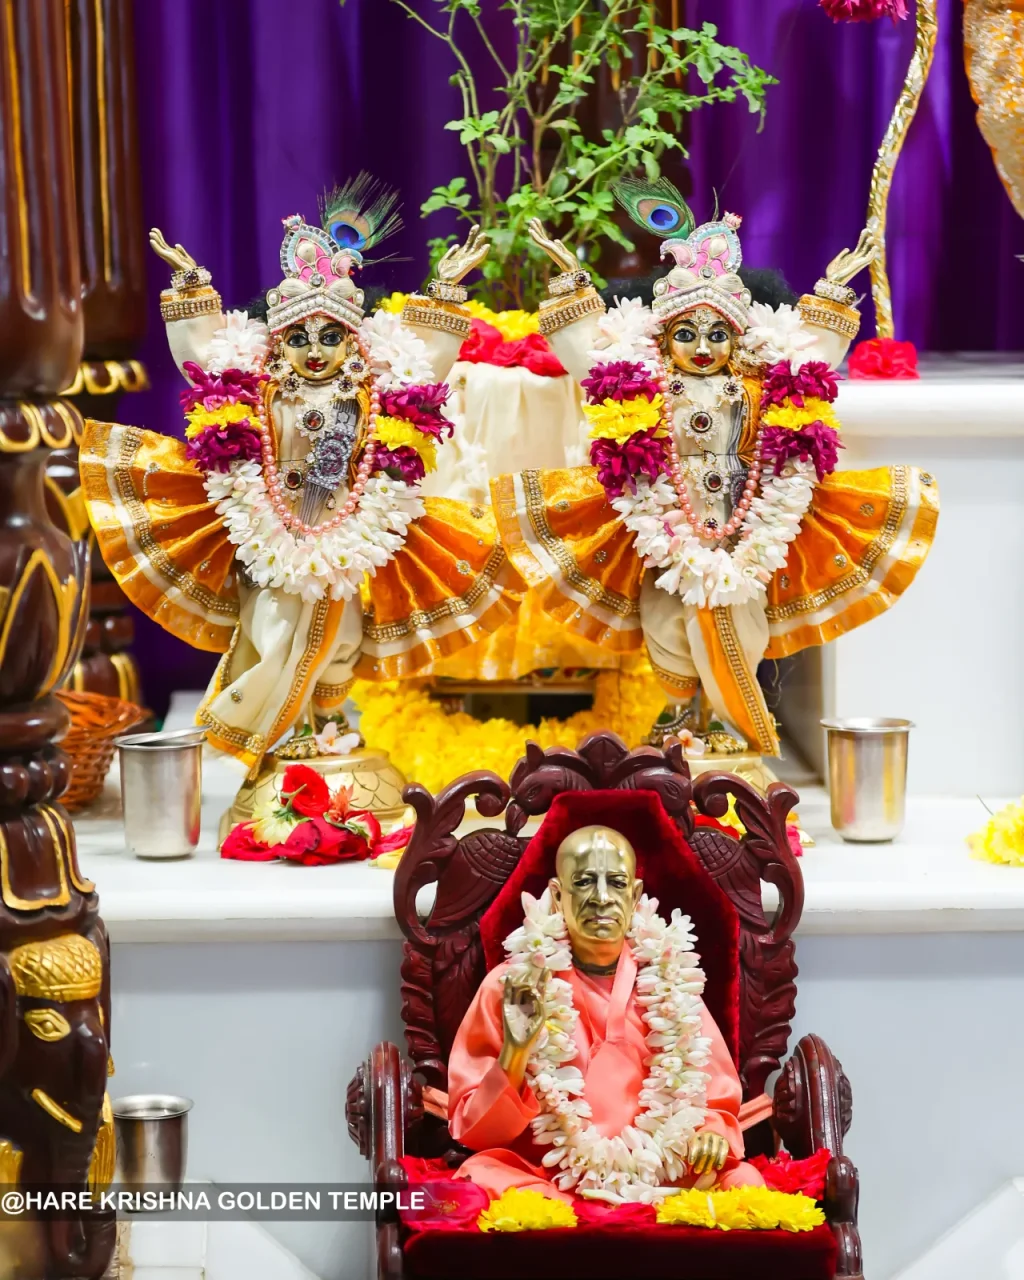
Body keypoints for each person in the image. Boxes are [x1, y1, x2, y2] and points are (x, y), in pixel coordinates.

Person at [81, 176, 521, 788]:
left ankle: (329, 719)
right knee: (272, 627)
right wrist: (191, 287)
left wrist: (445, 290)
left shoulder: (373, 390)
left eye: (331, 337)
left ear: (353, 341)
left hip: (348, 535)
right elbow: (206, 361)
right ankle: (281, 734)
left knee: (343, 637)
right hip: (267, 532)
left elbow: (425, 366)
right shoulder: (257, 388)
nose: (315, 351)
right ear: (277, 342)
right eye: (298, 338)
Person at [492, 181, 938, 752]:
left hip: (745, 530)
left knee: (742, 614)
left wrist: (832, 294)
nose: (702, 347)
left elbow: (808, 368)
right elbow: (587, 359)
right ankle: (677, 716)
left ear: (738, 338)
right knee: (663, 618)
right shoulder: (640, 383)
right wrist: (569, 281)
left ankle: (731, 727)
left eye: (717, 334)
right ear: (663, 338)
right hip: (662, 526)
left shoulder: (758, 381)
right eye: (686, 334)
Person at [448, 823, 763, 1204]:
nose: (601, 898)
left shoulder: (672, 980)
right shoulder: (515, 986)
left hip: (666, 1175)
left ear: (635, 895)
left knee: (744, 1184)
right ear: (557, 895)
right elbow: (478, 1133)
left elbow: (711, 1095)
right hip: (551, 1177)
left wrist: (711, 1131)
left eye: (616, 883)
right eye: (584, 882)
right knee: (480, 1175)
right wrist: (515, 1053)